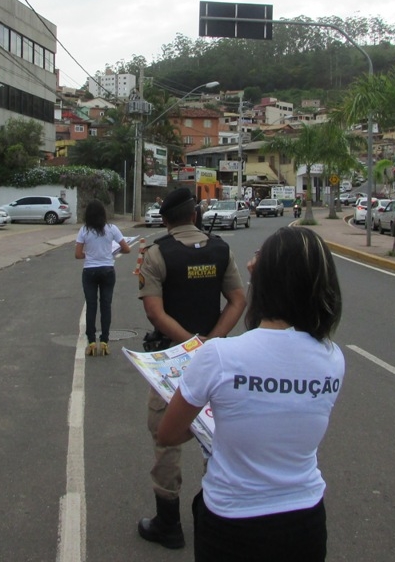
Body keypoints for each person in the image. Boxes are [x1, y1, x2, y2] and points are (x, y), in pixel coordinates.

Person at [156, 226, 345, 561]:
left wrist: (216, 422)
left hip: (232, 520)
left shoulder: (219, 355)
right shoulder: (332, 357)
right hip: (305, 519)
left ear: (266, 281)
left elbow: (168, 433)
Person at [137, 187, 247, 550]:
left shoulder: (156, 254)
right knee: (216, 435)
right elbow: (238, 300)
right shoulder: (221, 250)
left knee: (165, 439)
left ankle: (168, 525)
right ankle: (215, 515)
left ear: (166, 220)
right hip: (217, 362)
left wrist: (189, 345)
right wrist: (211, 342)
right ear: (195, 214)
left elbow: (155, 312)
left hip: (172, 364)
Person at [74, 200, 131, 356]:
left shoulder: (84, 230)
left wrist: (90, 255)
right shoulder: (112, 229)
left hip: (89, 271)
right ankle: (105, 341)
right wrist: (110, 253)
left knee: (91, 306)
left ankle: (91, 342)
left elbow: (78, 254)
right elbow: (126, 249)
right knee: (106, 305)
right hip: (107, 270)